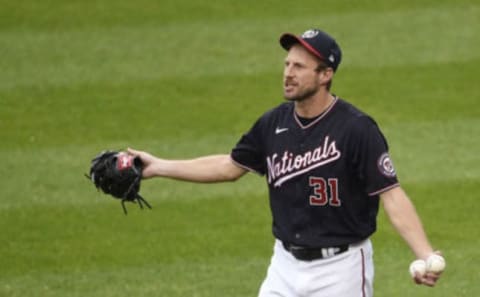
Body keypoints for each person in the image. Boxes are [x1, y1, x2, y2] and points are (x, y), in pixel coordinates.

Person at [128, 29, 444, 297]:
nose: (288, 72)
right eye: (287, 63)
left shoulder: (356, 129)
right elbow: (229, 166)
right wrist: (158, 167)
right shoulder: (272, 124)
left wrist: (425, 254)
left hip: (341, 270)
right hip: (284, 266)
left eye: (300, 67)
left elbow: (391, 194)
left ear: (325, 75)